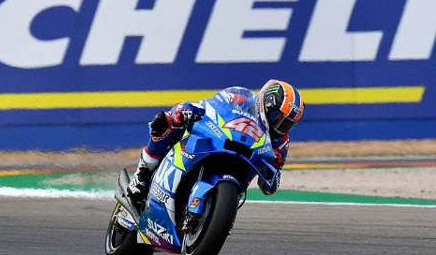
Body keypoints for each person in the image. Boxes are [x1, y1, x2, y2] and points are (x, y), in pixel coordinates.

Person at [126, 80, 304, 206]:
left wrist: (271, 174)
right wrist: (187, 112)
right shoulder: (239, 99)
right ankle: (141, 175)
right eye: (278, 117)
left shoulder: (281, 141)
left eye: (287, 123)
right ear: (266, 103)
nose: (280, 125)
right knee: (164, 121)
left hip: (239, 172)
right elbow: (206, 105)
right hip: (216, 141)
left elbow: (270, 186)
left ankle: (215, 214)